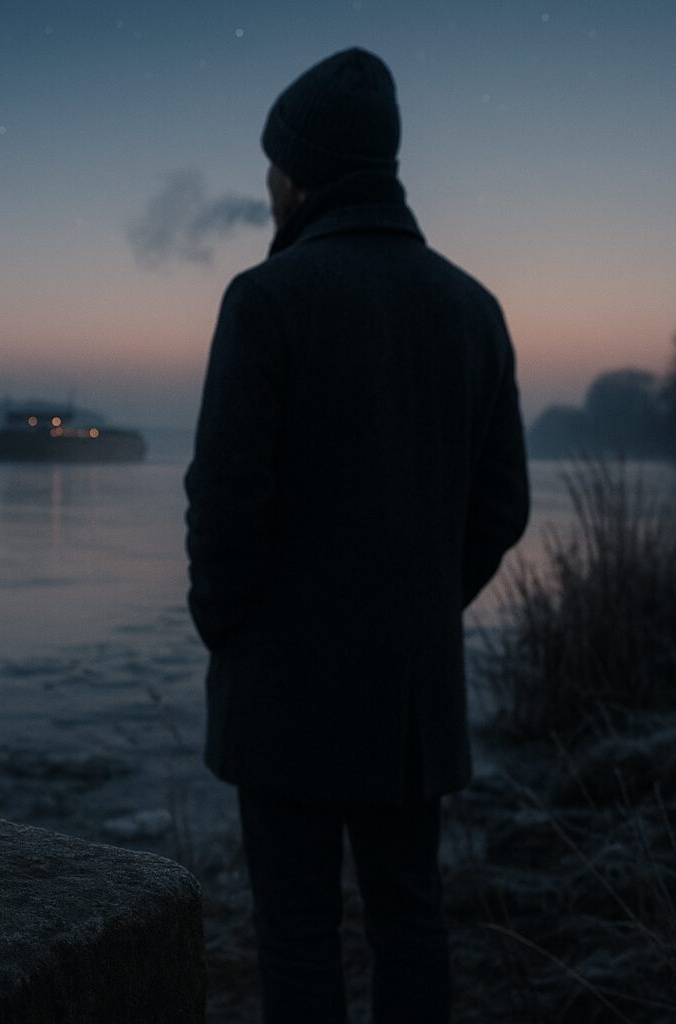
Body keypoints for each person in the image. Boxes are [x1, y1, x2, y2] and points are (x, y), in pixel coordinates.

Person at [184, 47, 530, 1023]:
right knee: (409, 921)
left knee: (296, 935)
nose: (265, 185)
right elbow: (502, 506)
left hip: (285, 695)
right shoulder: (474, 310)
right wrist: (419, 599)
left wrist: (232, 628)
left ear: (305, 172)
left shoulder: (266, 300)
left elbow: (224, 508)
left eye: (273, 165)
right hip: (410, 700)